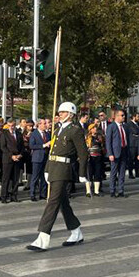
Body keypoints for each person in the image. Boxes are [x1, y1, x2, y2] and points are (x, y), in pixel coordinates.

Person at [27, 102, 89, 251]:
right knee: (62, 203)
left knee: (52, 201)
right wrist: (47, 169)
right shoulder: (57, 130)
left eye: (63, 112)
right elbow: (52, 152)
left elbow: (83, 154)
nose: (59, 114)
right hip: (54, 168)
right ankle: (76, 232)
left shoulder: (75, 131)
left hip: (64, 169)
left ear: (70, 114)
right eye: (59, 112)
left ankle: (43, 237)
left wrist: (82, 173)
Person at [0, 118, 24, 203]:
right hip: (8, 159)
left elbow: (22, 146)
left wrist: (20, 154)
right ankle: (4, 197)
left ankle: (14, 196)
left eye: (13, 125)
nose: (11, 127)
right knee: (6, 179)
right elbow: (3, 147)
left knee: (16, 179)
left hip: (17, 158)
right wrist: (11, 156)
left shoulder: (18, 133)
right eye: (9, 126)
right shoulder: (4, 133)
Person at [105, 109, 129, 198]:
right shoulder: (111, 126)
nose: (124, 117)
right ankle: (112, 190)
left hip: (124, 150)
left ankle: (121, 190)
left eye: (124, 115)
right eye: (122, 115)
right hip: (115, 152)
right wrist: (110, 153)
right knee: (114, 172)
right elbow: (108, 141)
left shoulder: (125, 127)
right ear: (116, 116)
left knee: (122, 172)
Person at [29, 118, 50, 201]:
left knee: (44, 177)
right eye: (44, 123)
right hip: (37, 158)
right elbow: (32, 145)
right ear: (39, 124)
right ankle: (32, 194)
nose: (45, 125)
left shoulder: (47, 134)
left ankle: (43, 194)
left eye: (45, 123)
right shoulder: (34, 134)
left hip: (45, 158)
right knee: (35, 177)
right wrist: (43, 145)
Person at [85, 121, 106, 197]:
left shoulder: (99, 137)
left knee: (97, 174)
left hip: (98, 157)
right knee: (89, 174)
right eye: (93, 128)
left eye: (95, 127)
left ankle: (96, 191)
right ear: (90, 129)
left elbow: (103, 146)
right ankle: (88, 191)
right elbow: (85, 147)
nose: (95, 129)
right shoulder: (87, 137)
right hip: (90, 157)